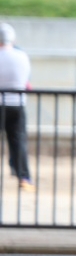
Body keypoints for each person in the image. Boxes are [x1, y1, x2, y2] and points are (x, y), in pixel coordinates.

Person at [0, 23, 31, 187]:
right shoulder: (22, 56)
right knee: (18, 141)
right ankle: (24, 177)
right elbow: (27, 82)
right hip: (17, 104)